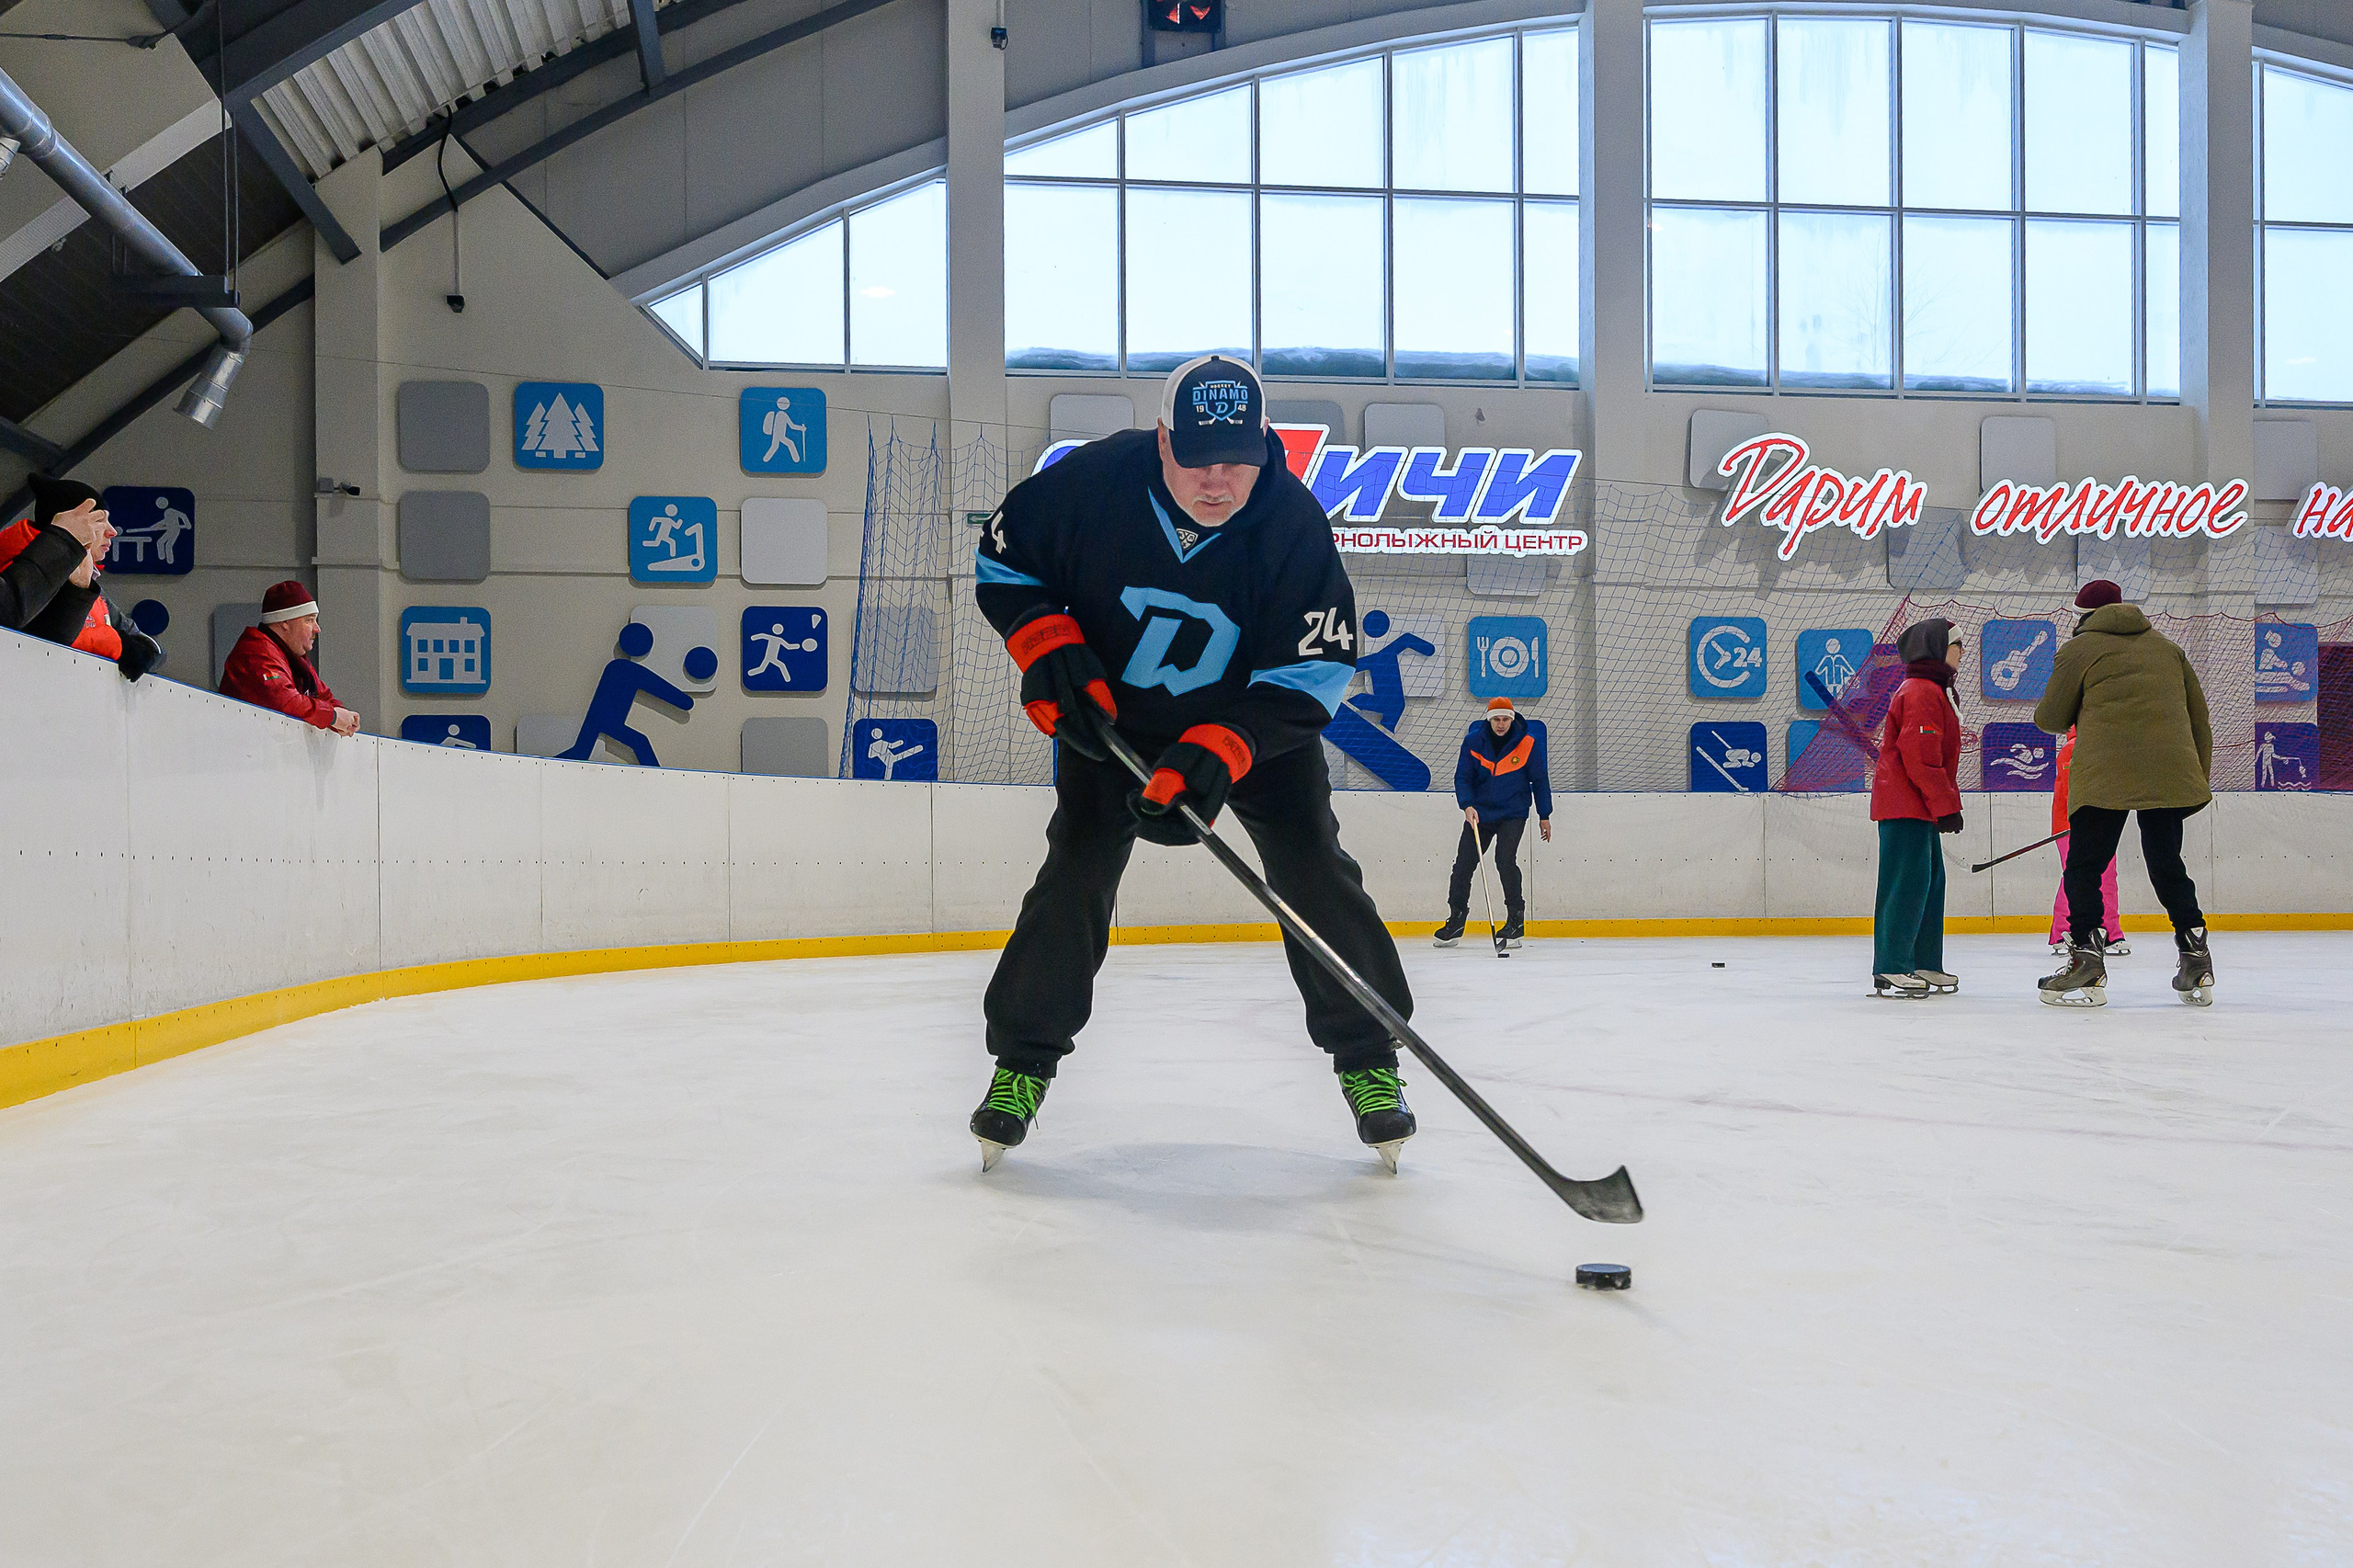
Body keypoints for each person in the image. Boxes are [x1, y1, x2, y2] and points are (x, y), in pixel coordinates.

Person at [968, 354, 1415, 1172]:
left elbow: (1314, 669)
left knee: (1313, 867)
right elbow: (1006, 561)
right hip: (1112, 725)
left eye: (1237, 458)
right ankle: (1021, 1065)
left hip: (1250, 728)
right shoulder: (1088, 484)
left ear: (1264, 444)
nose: (1218, 479)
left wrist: (1223, 748)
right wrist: (1046, 641)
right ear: (1162, 439)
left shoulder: (1292, 525)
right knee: (1077, 868)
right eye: (1199, 456)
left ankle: (1369, 1059)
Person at [2032, 580, 2214, 1007]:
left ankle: (2087, 959)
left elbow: (2050, 717)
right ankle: (2196, 957)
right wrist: (2194, 778)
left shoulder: (2079, 650)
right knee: (2167, 865)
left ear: (2084, 614)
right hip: (2168, 773)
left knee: (2084, 866)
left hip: (2104, 775)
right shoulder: (2169, 649)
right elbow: (2199, 718)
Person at [1868, 618, 1964, 997]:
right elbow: (1920, 757)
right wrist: (1946, 805)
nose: (1961, 653)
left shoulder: (1935, 690)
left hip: (1920, 805)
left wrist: (1942, 805)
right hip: (1905, 804)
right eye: (1956, 645)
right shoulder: (1921, 691)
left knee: (1929, 882)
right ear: (1937, 648)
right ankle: (1892, 964)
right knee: (1906, 883)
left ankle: (1924, 961)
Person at [0, 476, 162, 680]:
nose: (112, 531)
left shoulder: (95, 590)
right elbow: (37, 642)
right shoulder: (14, 568)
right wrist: (116, 644)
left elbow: (151, 649)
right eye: (99, 520)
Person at [1435, 697, 1552, 949]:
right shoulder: (1473, 742)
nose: (1501, 724)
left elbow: (1540, 781)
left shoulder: (1527, 744)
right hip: (1480, 813)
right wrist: (1467, 805)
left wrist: (1545, 815)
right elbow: (1462, 777)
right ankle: (1456, 920)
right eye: (1496, 719)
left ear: (1512, 719)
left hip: (1513, 812)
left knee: (1504, 860)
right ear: (1489, 719)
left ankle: (1515, 922)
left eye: (1505, 719)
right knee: (1463, 865)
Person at [218, 580, 360, 734]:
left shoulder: (294, 658)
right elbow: (286, 701)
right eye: (309, 620)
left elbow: (323, 696)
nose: (317, 629)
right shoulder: (256, 654)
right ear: (285, 622)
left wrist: (342, 717)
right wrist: (332, 717)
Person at [2046, 726, 2125, 957]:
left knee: (2107, 876)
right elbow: (2074, 792)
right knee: (2075, 876)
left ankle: (2109, 932)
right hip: (2071, 826)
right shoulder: (2072, 749)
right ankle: (2063, 931)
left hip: (2101, 825)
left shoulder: (2102, 749)